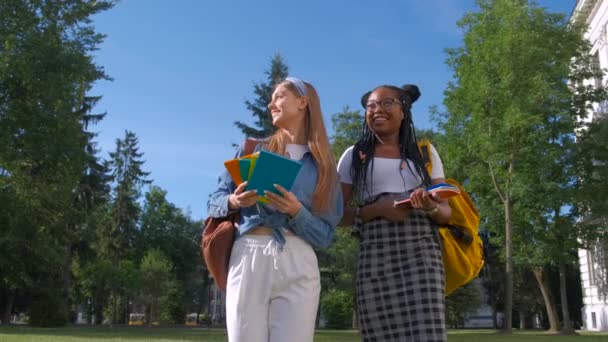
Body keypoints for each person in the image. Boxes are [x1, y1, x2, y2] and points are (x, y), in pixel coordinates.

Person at [207, 77, 343, 342]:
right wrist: (235, 201)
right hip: (249, 255)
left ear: (303, 102)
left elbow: (325, 236)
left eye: (280, 96)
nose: (272, 103)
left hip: (299, 260)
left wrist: (296, 211)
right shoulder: (251, 149)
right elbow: (214, 200)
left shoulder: (324, 166)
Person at [337, 84, 451, 341]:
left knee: (427, 334)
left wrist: (429, 205)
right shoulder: (354, 156)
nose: (378, 109)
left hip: (422, 258)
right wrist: (378, 209)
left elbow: (446, 213)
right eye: (371, 105)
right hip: (375, 258)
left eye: (387, 103)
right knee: (379, 334)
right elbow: (336, 214)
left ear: (404, 111)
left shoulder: (425, 152)